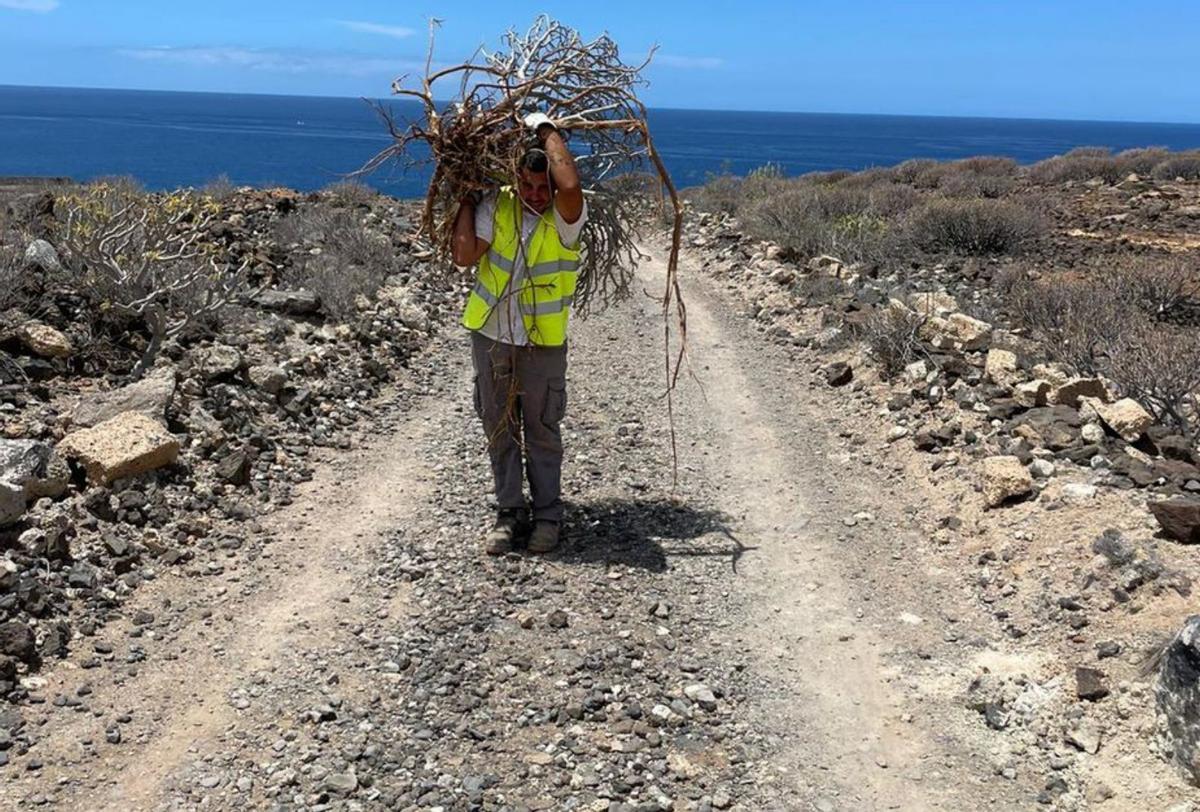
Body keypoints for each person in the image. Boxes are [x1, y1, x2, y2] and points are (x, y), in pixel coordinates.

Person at [452, 112, 587, 555]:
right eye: (526, 186)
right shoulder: (501, 204)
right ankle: (509, 514)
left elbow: (569, 186)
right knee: (499, 426)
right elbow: (465, 255)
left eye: (540, 188)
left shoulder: (566, 217)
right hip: (492, 334)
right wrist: (467, 201)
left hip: (542, 343)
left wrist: (546, 129)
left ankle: (548, 515)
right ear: (516, 180)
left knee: (542, 429)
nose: (534, 195)